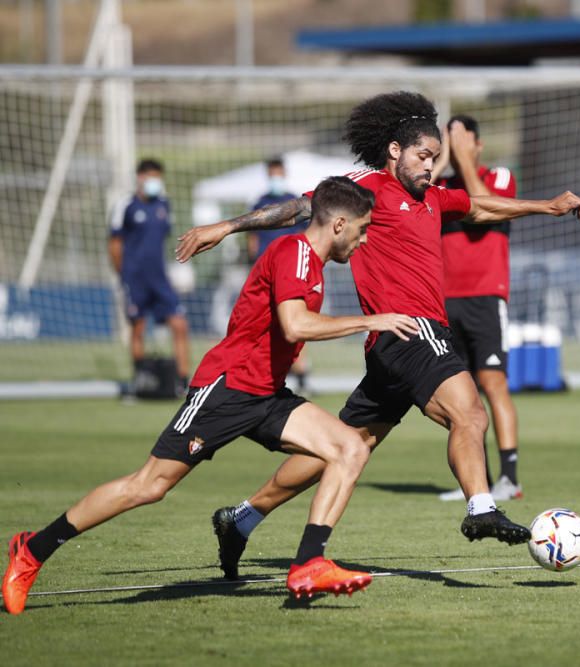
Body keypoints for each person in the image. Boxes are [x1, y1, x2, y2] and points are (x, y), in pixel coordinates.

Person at [174, 91, 580, 581]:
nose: (431, 167)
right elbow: (300, 209)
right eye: (423, 156)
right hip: (413, 331)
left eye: (436, 158)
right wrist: (227, 225)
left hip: (388, 349)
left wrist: (549, 206)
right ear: (394, 150)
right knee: (470, 412)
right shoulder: (366, 187)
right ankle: (480, 507)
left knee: (347, 445)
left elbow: (478, 207)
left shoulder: (431, 197)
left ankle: (241, 519)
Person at [3, 176, 422, 614]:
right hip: (227, 389)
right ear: (338, 225)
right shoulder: (295, 253)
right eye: (362, 229)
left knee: (349, 449)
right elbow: (295, 325)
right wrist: (370, 322)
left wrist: (224, 227)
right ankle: (32, 549)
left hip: (266, 395)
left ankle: (309, 563)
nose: (364, 238)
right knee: (148, 486)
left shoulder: (311, 262)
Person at [431, 115, 523, 502]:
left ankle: (510, 478)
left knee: (492, 382)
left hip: (485, 296)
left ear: (478, 144)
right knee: (461, 393)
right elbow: (413, 193)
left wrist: (463, 157)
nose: (453, 145)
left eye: (460, 137)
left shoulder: (499, 176)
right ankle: (477, 480)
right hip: (443, 300)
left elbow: (483, 203)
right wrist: (443, 158)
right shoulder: (439, 187)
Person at [109, 158, 191, 394]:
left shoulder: (164, 205)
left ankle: (183, 382)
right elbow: (115, 243)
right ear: (140, 178)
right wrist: (123, 274)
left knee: (179, 324)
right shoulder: (126, 205)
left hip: (160, 278)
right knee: (138, 326)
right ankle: (141, 378)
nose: (155, 182)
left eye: (158, 177)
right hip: (135, 278)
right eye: (150, 177)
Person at [247, 157, 312, 395]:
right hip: (266, 271)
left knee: (295, 319)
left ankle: (301, 373)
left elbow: (307, 235)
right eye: (272, 172)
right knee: (265, 323)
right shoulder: (260, 202)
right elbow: (252, 238)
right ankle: (264, 374)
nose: (276, 176)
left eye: (279, 172)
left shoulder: (295, 201)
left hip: (291, 271)